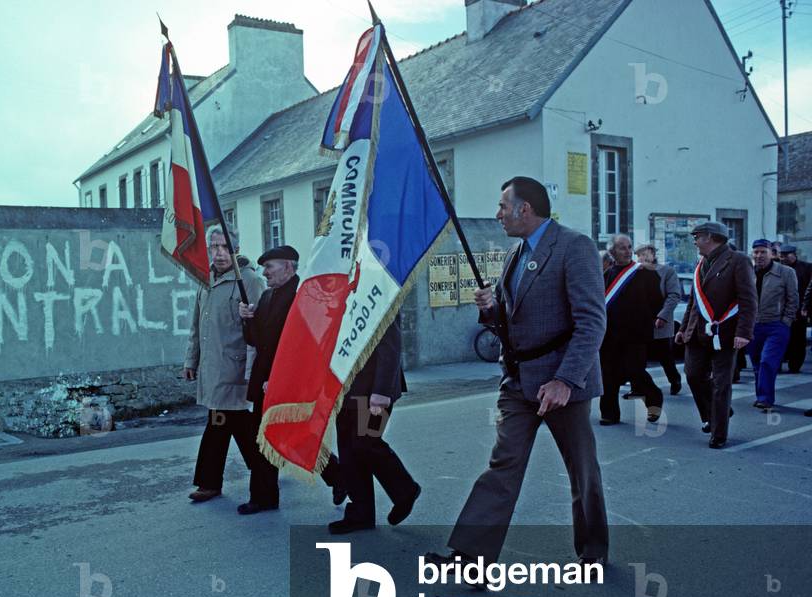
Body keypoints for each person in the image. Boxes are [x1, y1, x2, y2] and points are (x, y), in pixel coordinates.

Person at [430, 176, 608, 567]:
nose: (497, 215)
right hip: (518, 381)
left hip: (562, 384)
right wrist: (490, 309)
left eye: (501, 206)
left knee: (582, 472)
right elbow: (509, 322)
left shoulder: (574, 247)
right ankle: (470, 557)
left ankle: (593, 552)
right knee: (503, 465)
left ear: (524, 209)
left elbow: (592, 322)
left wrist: (565, 379)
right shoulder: (514, 254)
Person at [238, 244, 346, 513]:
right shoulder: (267, 297)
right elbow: (256, 341)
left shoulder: (302, 295)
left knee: (296, 435)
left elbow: (304, 344)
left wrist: (283, 378)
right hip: (266, 378)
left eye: (269, 267)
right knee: (265, 437)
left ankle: (337, 476)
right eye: (263, 268)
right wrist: (247, 319)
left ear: (288, 266)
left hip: (289, 379)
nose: (264, 273)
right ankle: (265, 497)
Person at [183, 227, 266, 502]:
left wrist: (256, 373)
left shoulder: (249, 281)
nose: (219, 253)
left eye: (224, 247)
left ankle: (214, 482)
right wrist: (190, 360)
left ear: (236, 250)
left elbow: (262, 328)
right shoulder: (206, 279)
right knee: (231, 425)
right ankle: (264, 472)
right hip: (213, 368)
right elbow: (197, 325)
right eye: (214, 247)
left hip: (236, 371)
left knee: (227, 424)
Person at [328, 317, 421, 534]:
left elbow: (390, 344)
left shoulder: (377, 289)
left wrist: (381, 390)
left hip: (372, 389)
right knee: (349, 452)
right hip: (344, 387)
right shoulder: (343, 290)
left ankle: (405, 490)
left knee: (365, 443)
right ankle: (360, 514)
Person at [675, 222, 757, 448]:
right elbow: (693, 301)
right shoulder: (701, 263)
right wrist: (683, 329)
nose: (694, 241)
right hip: (697, 332)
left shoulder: (738, 260)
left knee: (722, 384)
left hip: (726, 333)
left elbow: (748, 299)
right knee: (692, 376)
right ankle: (716, 412)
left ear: (710, 237)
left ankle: (718, 433)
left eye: (697, 236)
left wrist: (744, 332)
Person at [600, 235, 665, 425]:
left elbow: (656, 302)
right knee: (608, 374)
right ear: (612, 252)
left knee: (635, 370)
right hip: (610, 334)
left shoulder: (645, 273)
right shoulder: (607, 274)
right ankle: (609, 413)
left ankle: (654, 398)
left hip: (635, 333)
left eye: (629, 247)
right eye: (622, 248)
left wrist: (644, 318)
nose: (628, 251)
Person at [747, 239, 798, 411]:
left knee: (767, 361)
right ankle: (761, 394)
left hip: (776, 325)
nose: (759, 255)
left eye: (763, 252)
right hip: (753, 325)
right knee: (756, 363)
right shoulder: (747, 273)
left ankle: (765, 398)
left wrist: (786, 321)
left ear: (772, 254)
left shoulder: (786, 272)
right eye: (756, 252)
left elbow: (793, 299)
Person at [635, 244, 682, 394]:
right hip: (640, 321)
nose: (642, 258)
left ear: (653, 254)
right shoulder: (635, 273)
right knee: (638, 356)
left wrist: (663, 315)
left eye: (645, 254)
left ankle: (674, 379)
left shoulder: (667, 271)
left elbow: (674, 295)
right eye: (639, 255)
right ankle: (638, 386)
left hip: (659, 320)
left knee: (664, 356)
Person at [779, 244, 810, 373]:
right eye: (782, 256)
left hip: (799, 309)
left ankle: (795, 365)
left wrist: (806, 307)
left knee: (798, 339)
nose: (783, 258)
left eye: (786, 255)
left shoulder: (806, 268)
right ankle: (778, 364)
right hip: (781, 309)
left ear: (794, 254)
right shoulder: (778, 268)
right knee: (780, 338)